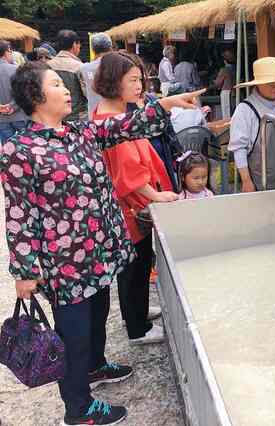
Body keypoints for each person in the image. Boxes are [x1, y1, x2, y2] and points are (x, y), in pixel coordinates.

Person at [3, 60, 202, 425]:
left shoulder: (79, 133)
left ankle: (95, 366)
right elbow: (19, 215)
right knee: (73, 334)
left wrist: (169, 105)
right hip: (64, 263)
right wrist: (24, 271)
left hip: (98, 252)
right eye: (56, 85)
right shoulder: (20, 151)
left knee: (97, 316)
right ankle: (79, 409)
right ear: (35, 96)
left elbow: (125, 125)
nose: (66, 91)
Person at [93, 52, 179, 346]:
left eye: (140, 79)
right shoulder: (111, 118)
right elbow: (127, 171)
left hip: (128, 205)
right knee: (134, 265)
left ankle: (138, 312)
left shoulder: (116, 113)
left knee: (139, 265)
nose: (139, 85)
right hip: (128, 208)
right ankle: (137, 328)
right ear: (113, 81)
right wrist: (154, 195)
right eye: (133, 80)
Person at [229, 57, 275, 192]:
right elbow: (239, 149)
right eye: (271, 84)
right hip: (260, 181)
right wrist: (246, 181)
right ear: (258, 84)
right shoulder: (245, 109)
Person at [48, 29, 87, 121]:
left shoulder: (47, 65)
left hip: (54, 117)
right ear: (74, 45)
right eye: (79, 45)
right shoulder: (80, 67)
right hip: (77, 117)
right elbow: (87, 93)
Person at [78, 33, 113, 119]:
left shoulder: (84, 68)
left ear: (93, 49)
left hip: (94, 116)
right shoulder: (118, 66)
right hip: (115, 116)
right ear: (111, 47)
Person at [0, 40, 27, 143]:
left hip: (1, 119)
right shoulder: (17, 70)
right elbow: (25, 92)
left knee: (8, 150)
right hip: (19, 115)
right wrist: (13, 106)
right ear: (7, 52)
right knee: (25, 147)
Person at [214, 49, 235, 119]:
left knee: (226, 112)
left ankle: (227, 128)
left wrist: (213, 82)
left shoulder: (224, 70)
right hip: (235, 91)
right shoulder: (235, 68)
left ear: (224, 61)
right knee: (232, 111)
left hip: (226, 91)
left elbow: (218, 83)